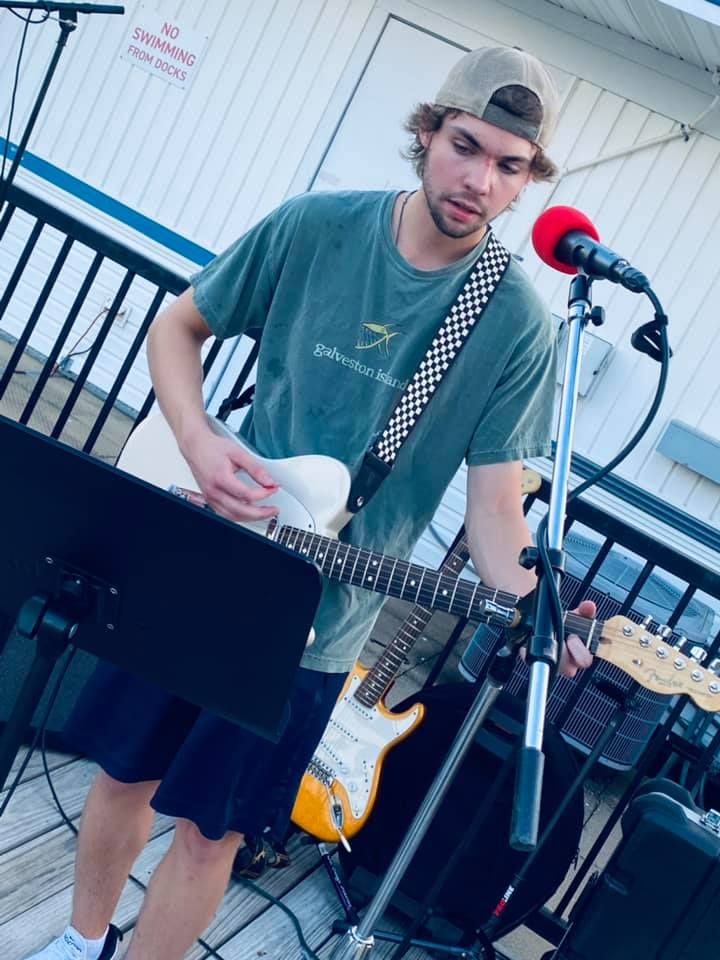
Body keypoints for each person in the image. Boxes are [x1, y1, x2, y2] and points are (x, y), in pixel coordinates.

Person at [26, 45, 594, 960]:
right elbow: (179, 324)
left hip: (317, 624)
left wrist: (544, 613)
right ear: (426, 134)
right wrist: (203, 440)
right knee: (123, 775)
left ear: (529, 180)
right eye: (465, 146)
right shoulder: (316, 227)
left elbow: (497, 517)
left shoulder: (518, 324)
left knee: (216, 831)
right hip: (202, 553)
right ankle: (78, 939)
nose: (480, 180)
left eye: (509, 165)